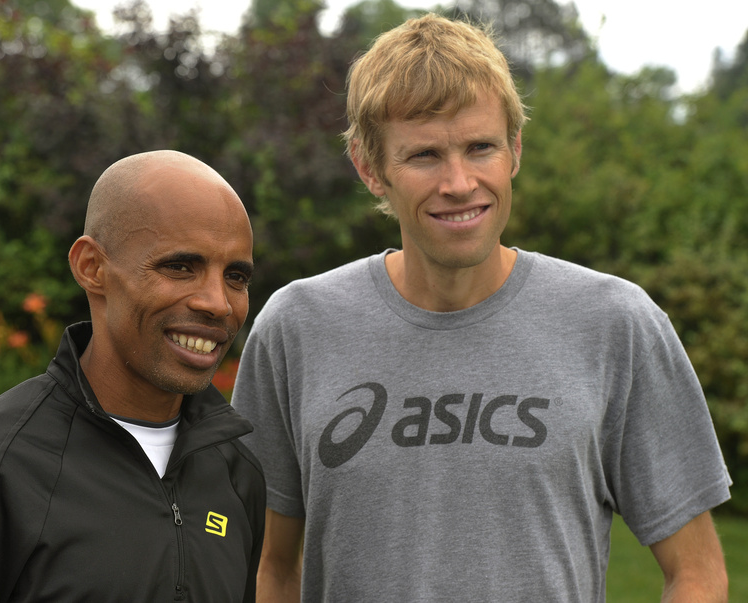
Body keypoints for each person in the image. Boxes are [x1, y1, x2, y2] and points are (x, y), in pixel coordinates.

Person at [230, 14, 732, 602]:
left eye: (480, 147)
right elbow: (267, 566)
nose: (460, 182)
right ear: (370, 168)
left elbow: (696, 573)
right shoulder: (297, 328)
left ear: (514, 150)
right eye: (424, 156)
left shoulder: (615, 324)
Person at [0, 150, 265, 602]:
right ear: (92, 268)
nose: (218, 303)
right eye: (180, 267)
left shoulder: (239, 475)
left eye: (236, 276)